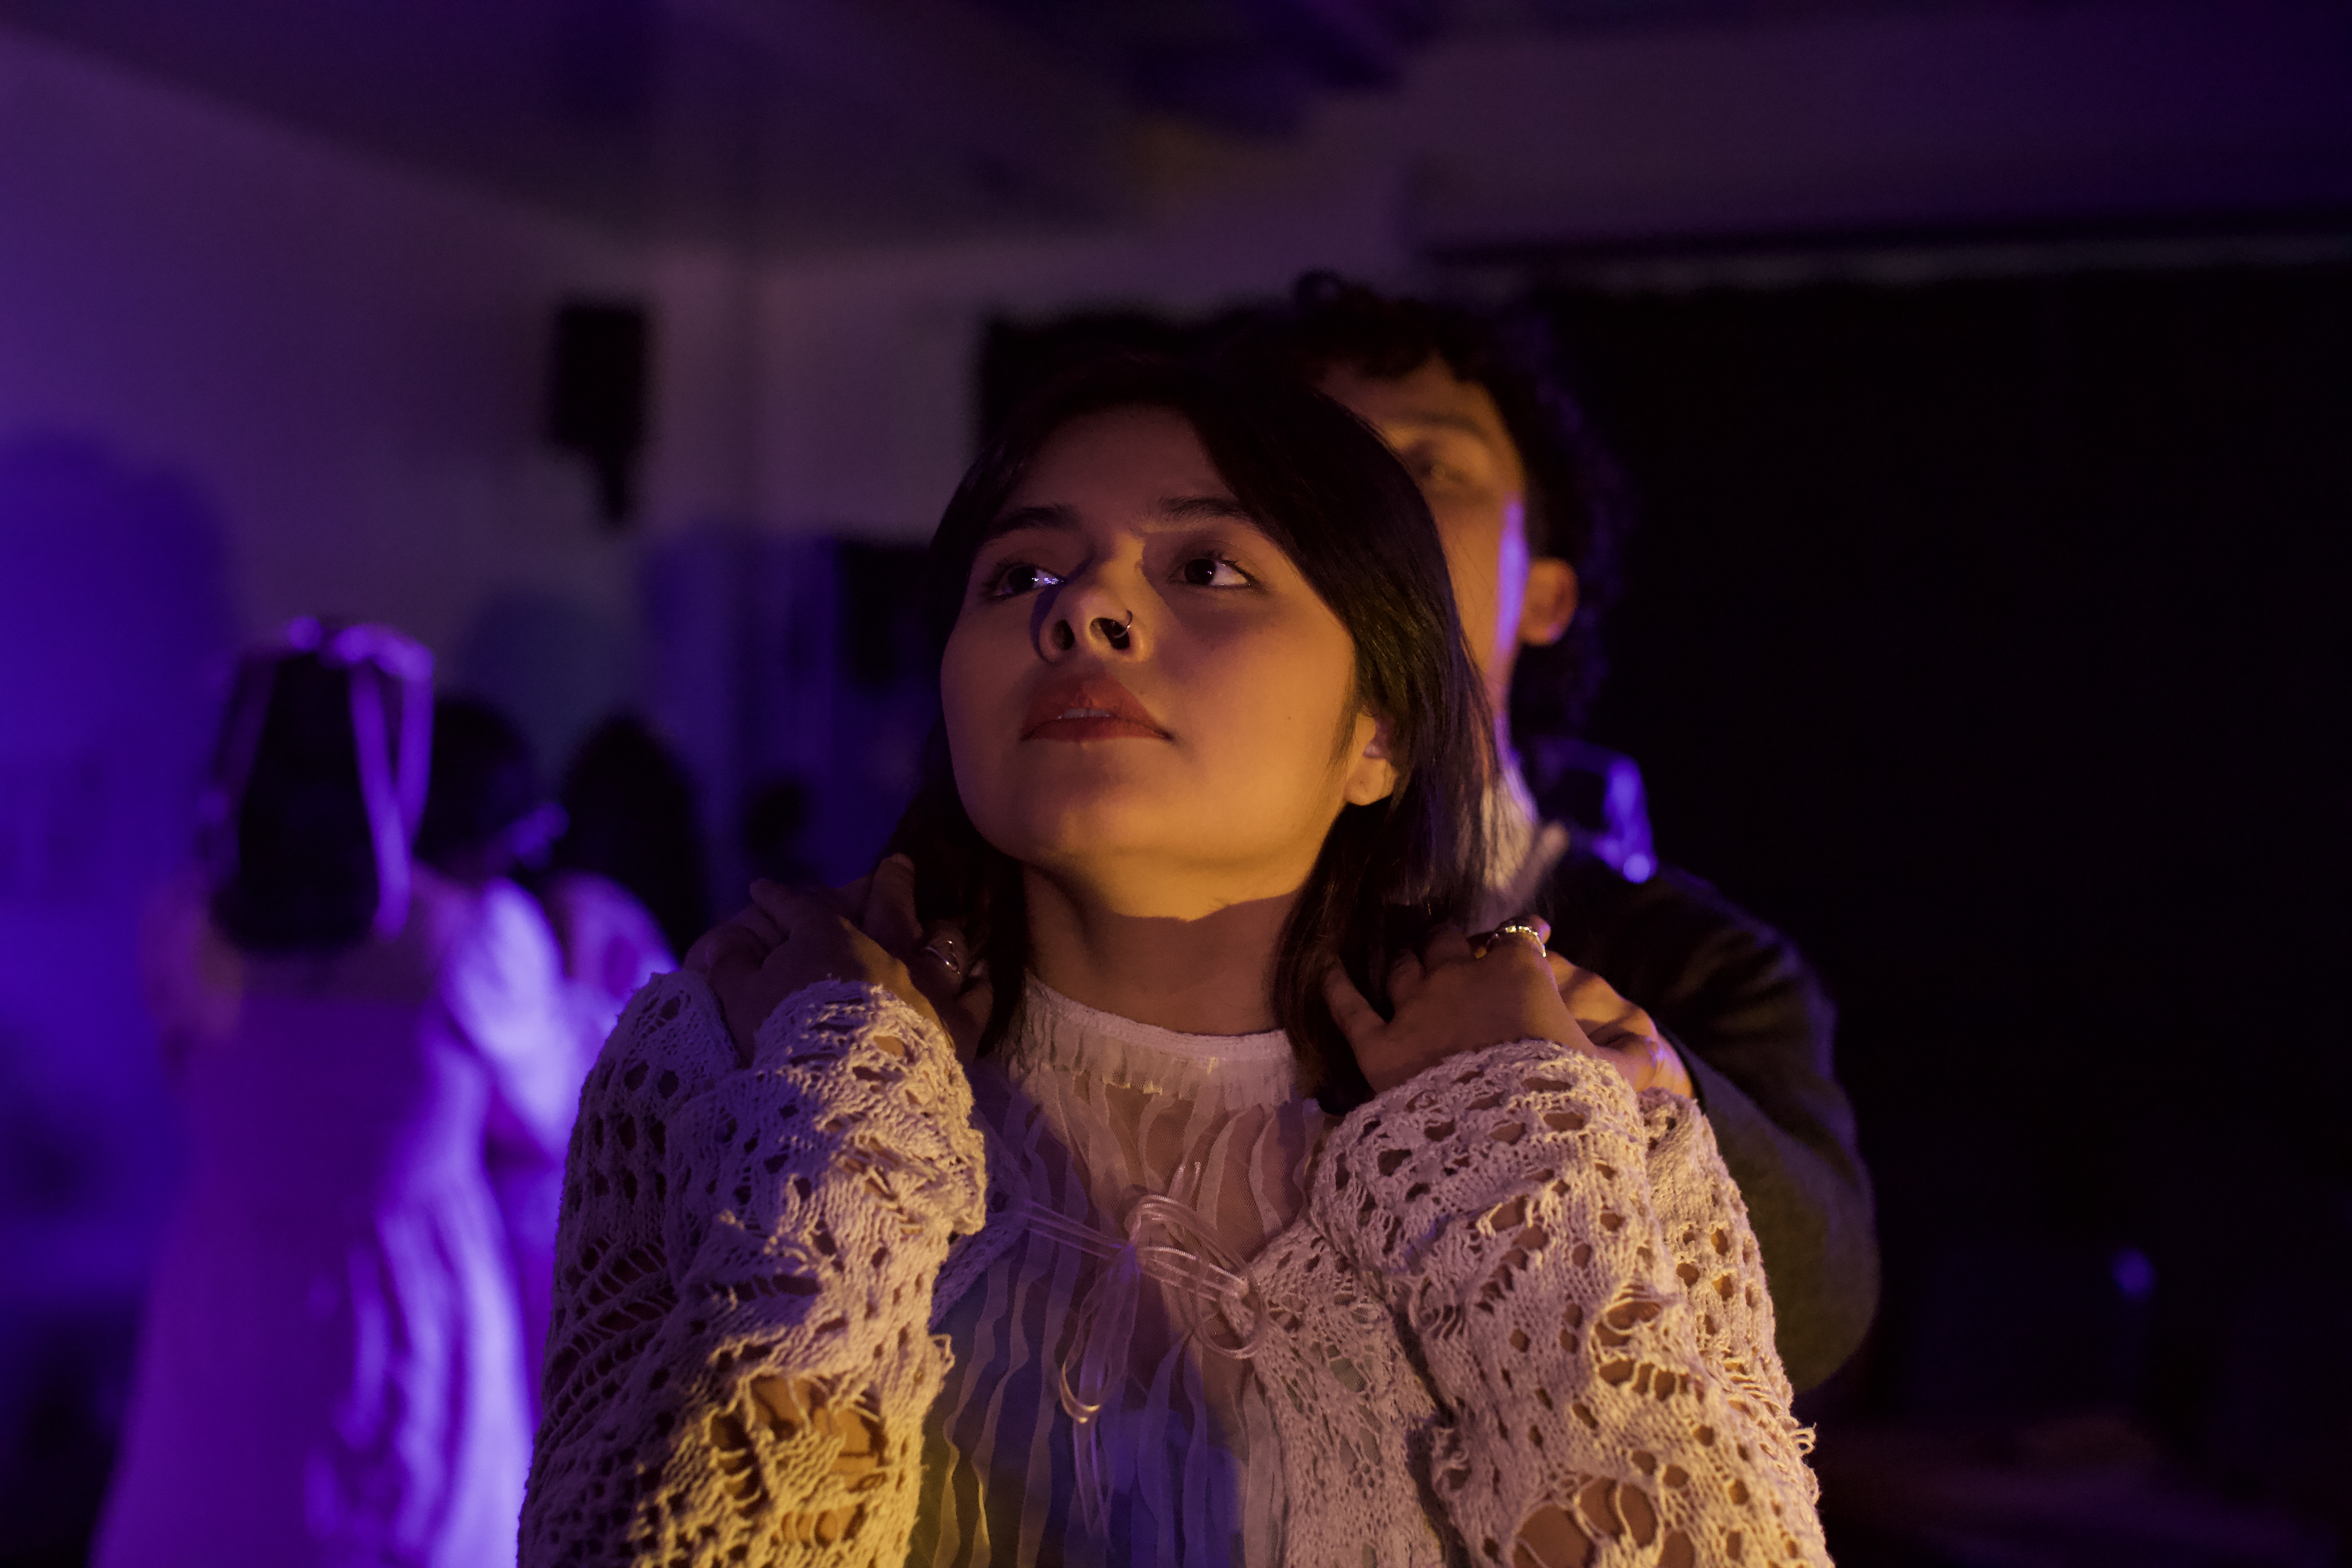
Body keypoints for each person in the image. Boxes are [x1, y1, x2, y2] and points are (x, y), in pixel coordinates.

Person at [521, 361, 1827, 1567]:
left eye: (1208, 568)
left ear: (1379, 728)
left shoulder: (1566, 1132)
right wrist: (839, 1119)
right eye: (1020, 575)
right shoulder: (741, 1074)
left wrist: (1508, 1162)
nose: (1083, 609)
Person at [1245, 276, 1878, 1392]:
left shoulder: (1705, 966)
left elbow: (1821, 1312)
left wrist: (1643, 1094)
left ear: (1544, 595)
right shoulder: (1143, 894)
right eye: (1319, 461)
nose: (1366, 502)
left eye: (1429, 467)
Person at [100, 622, 576, 1568]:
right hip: (410, 1306)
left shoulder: (184, 927)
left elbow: (185, 1077)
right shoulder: (475, 938)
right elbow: (554, 1112)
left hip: (228, 1300)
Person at [414, 693, 605, 1417]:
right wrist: (590, 999)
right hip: (472, 1246)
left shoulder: (351, 923)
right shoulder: (483, 927)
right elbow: (547, 1111)